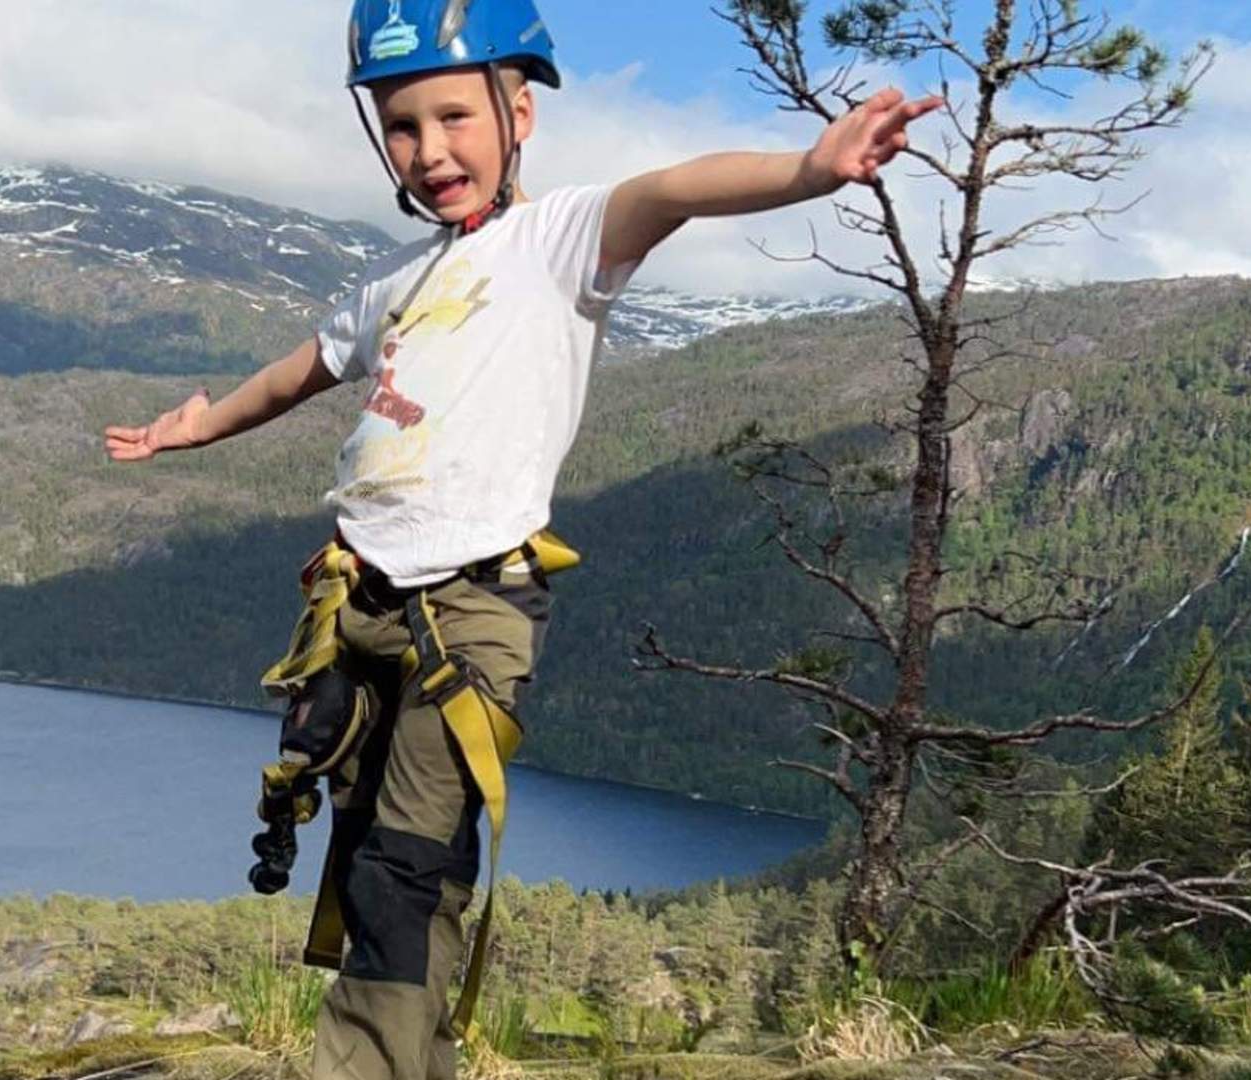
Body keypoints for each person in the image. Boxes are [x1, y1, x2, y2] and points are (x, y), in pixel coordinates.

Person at [105, 2, 938, 1076]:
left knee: (406, 863)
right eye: (401, 126)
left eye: (454, 114)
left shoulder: (560, 243)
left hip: (473, 610)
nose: (430, 148)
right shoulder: (397, 282)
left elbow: (672, 190)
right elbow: (304, 368)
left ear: (520, 111)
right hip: (360, 603)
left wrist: (810, 171)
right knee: (376, 853)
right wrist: (203, 423)